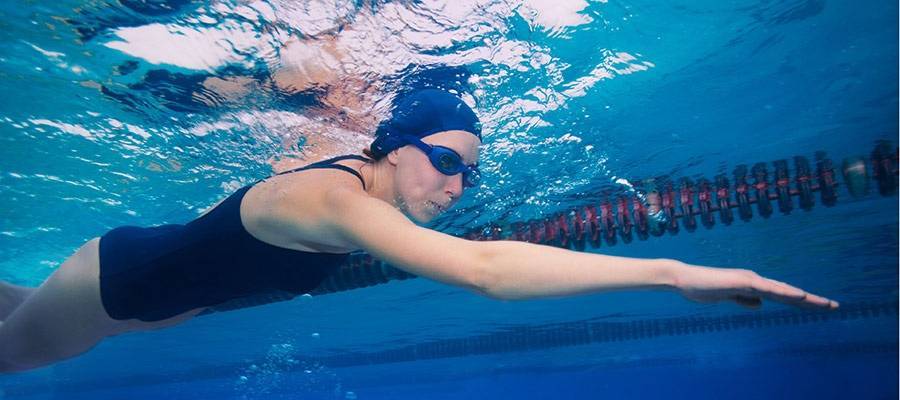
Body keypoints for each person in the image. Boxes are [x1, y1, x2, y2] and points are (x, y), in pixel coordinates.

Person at [0, 89, 838, 374]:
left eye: (470, 170)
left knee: (18, 311)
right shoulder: (334, 201)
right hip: (115, 285)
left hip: (149, 292)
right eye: (443, 159)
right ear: (394, 148)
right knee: (12, 353)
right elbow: (485, 270)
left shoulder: (372, 200)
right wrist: (668, 272)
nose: (455, 183)